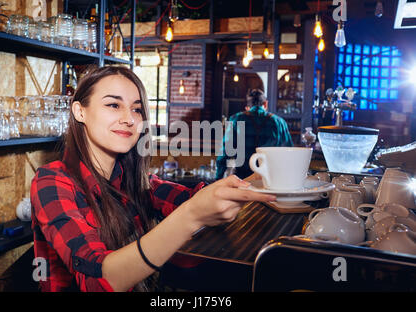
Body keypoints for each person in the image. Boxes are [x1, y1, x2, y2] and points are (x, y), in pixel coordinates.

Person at [30, 66, 276, 292]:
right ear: (79, 111)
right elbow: (97, 280)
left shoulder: (135, 181)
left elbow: (194, 197)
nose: (129, 118)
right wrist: (191, 215)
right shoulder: (52, 182)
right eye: (114, 105)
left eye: (137, 109)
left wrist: (251, 185)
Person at [216, 89, 294, 180]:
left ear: (247, 106)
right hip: (269, 178)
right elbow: (289, 153)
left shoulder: (236, 119)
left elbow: (225, 152)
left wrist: (218, 178)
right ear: (265, 104)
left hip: (243, 179)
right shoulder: (279, 122)